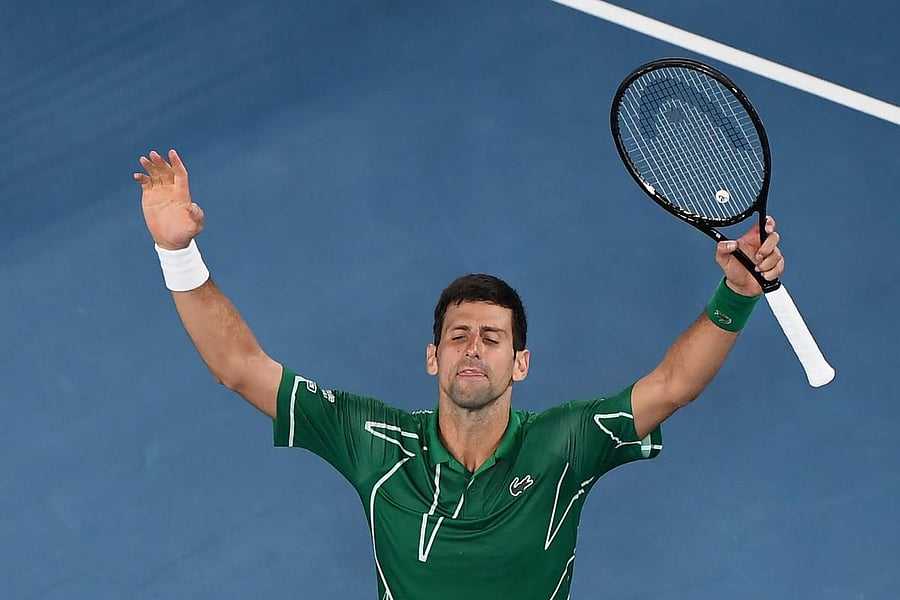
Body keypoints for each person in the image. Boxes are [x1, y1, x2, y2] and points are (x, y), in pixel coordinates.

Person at [134, 149, 785, 599]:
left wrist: (735, 296)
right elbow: (239, 367)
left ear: (520, 363)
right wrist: (178, 253)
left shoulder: (567, 443)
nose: (473, 349)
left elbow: (673, 386)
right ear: (433, 356)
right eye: (458, 336)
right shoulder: (372, 440)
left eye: (493, 338)